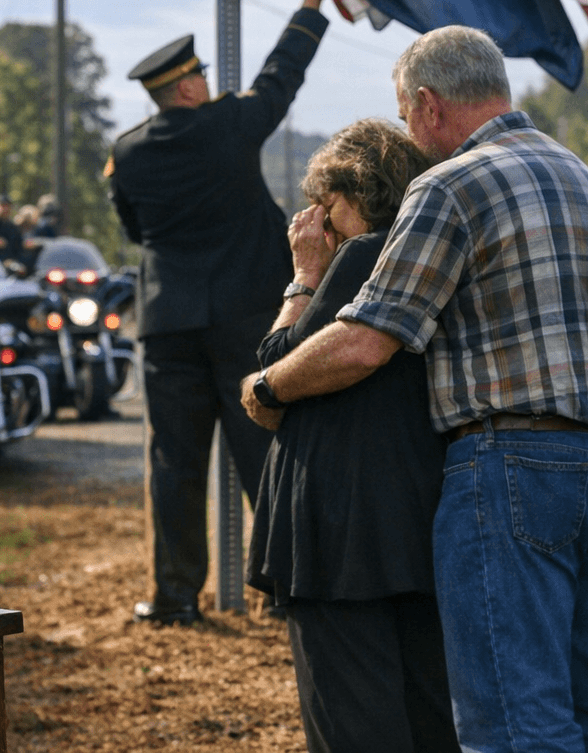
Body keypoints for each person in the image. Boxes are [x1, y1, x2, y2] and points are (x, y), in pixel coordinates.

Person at [242, 25, 588, 752]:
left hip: (517, 465)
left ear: (430, 105)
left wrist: (268, 386)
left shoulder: (451, 183)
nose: (409, 133)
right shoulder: (582, 175)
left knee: (516, 715)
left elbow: (366, 340)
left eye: (405, 115)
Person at [108, 0, 331, 625]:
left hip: (168, 319)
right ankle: (283, 590)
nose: (206, 78)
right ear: (187, 88)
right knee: (263, 449)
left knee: (173, 464)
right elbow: (281, 76)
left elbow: (135, 231)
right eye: (199, 73)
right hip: (244, 315)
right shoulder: (230, 125)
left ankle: (175, 597)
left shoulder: (128, 151)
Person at [247, 119, 457, 753]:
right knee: (427, 712)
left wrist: (305, 276)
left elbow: (279, 355)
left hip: (340, 528)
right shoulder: (436, 255)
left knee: (352, 722)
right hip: (413, 519)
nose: (320, 224)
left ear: (363, 196)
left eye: (327, 208)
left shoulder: (368, 254)